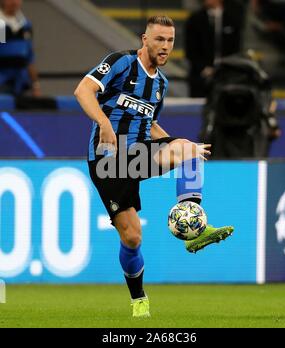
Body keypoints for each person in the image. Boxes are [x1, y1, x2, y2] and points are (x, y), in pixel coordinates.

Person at [75, 16, 233, 318]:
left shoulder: (160, 83)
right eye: (159, 39)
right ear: (144, 39)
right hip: (107, 159)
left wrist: (180, 146)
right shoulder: (120, 63)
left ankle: (193, 227)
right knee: (132, 237)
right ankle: (138, 300)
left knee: (189, 149)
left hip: (137, 154)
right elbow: (82, 91)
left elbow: (151, 124)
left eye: (170, 40)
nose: (165, 46)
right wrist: (104, 123)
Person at [185, 0, 244, 97]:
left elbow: (236, 50)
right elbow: (190, 51)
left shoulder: (232, 20)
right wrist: (204, 68)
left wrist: (225, 69)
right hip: (200, 78)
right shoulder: (194, 20)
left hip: (227, 77)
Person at [0, 0, 41, 96]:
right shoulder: (1, 26)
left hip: (22, 84)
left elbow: (29, 57)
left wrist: (35, 85)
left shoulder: (26, 25)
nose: (14, 2)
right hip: (2, 84)